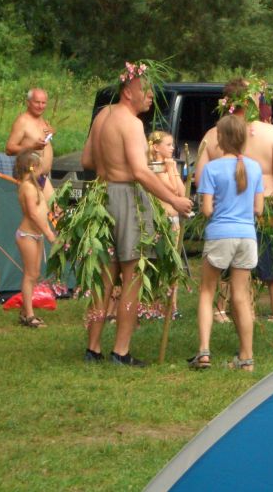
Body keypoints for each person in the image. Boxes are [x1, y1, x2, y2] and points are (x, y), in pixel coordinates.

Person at [84, 64, 192, 367]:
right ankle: (121, 351)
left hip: (101, 197)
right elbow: (140, 172)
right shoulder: (131, 124)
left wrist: (110, 163)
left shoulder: (102, 116)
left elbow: (87, 159)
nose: (150, 96)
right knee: (132, 276)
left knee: (104, 277)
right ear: (127, 92)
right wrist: (174, 199)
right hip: (127, 197)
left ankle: (93, 348)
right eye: (145, 90)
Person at [195, 78, 273, 356]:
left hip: (223, 217)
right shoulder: (270, 132)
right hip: (267, 213)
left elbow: (199, 180)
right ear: (252, 100)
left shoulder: (212, 135)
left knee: (229, 283)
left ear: (226, 101)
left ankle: (219, 347)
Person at [190, 115, 264, 371]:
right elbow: (259, 208)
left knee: (207, 291)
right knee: (241, 296)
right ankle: (246, 358)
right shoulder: (254, 168)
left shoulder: (212, 169)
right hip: (247, 236)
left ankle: (204, 352)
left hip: (220, 234)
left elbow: (207, 210)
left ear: (220, 138)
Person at [14, 152, 57, 328]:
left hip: (36, 235)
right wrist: (48, 233)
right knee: (30, 274)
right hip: (27, 235)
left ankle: (26, 310)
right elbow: (32, 213)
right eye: (41, 167)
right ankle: (29, 316)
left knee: (35, 273)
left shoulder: (34, 186)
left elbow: (43, 210)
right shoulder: (28, 187)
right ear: (34, 167)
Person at [147, 130, 185, 318]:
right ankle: (157, 304)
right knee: (160, 262)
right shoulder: (155, 168)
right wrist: (171, 170)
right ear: (156, 147)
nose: (172, 148)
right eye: (168, 145)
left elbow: (182, 192)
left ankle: (172, 305)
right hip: (161, 221)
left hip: (174, 219)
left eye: (172, 145)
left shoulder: (170, 166)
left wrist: (173, 170)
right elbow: (172, 190)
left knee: (174, 263)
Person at [6, 88, 55, 199]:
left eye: (43, 103)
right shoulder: (22, 121)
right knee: (45, 208)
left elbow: (44, 141)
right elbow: (9, 149)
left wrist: (52, 132)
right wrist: (32, 147)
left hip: (42, 175)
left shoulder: (43, 121)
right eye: (37, 102)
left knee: (54, 208)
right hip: (30, 174)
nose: (40, 106)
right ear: (28, 102)